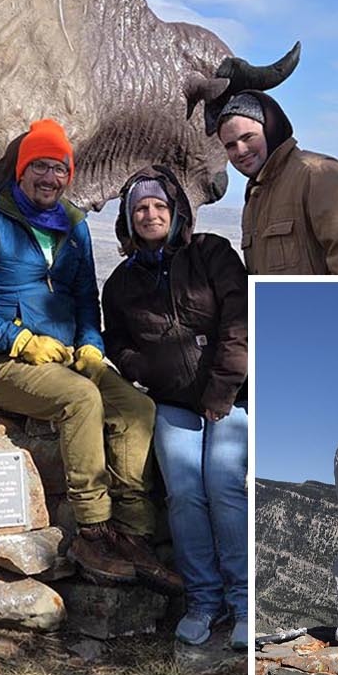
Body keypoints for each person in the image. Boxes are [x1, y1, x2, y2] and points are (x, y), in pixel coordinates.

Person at [0, 119, 181, 594]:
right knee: (81, 400)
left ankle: (134, 532)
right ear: (22, 171)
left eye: (59, 168)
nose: (50, 177)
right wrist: (18, 340)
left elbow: (81, 297)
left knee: (137, 407)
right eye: (40, 166)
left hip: (64, 357)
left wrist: (91, 346)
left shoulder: (75, 226)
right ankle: (93, 532)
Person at [102, 166, 250, 648]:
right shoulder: (121, 283)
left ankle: (246, 602)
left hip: (232, 397)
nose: (150, 214)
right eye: (140, 208)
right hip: (172, 402)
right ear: (128, 219)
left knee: (225, 484)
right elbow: (116, 342)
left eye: (159, 206)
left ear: (176, 212)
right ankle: (204, 601)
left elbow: (238, 320)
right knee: (185, 494)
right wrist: (143, 368)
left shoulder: (211, 254)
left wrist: (221, 390)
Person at [213, 90, 338, 275]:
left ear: (271, 130)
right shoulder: (255, 195)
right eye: (230, 145)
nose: (241, 150)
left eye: (248, 137)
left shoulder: (318, 175)